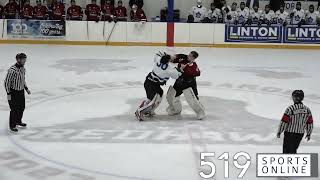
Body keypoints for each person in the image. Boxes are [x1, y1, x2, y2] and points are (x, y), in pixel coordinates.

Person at [135, 52, 183, 121]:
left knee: (159, 93)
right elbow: (176, 76)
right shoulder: (168, 70)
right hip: (153, 85)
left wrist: (166, 55)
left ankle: (147, 111)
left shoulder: (158, 59)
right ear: (168, 61)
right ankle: (140, 111)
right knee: (153, 100)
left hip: (148, 82)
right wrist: (180, 69)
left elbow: (157, 54)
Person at [166, 51, 205, 120]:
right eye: (189, 55)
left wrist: (184, 69)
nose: (188, 56)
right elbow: (174, 58)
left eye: (190, 56)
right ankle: (176, 110)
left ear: (193, 58)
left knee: (194, 98)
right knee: (173, 96)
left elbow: (197, 73)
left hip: (189, 83)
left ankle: (200, 112)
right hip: (179, 82)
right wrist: (170, 57)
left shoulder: (194, 66)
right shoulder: (183, 57)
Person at [4, 53, 31, 133]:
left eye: (25, 59)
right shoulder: (12, 70)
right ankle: (12, 125)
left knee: (22, 107)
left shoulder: (23, 69)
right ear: (18, 60)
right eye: (23, 59)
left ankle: (18, 121)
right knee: (14, 109)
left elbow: (22, 80)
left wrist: (26, 89)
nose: (25, 61)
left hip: (21, 92)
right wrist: (9, 93)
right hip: (13, 93)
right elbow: (6, 82)